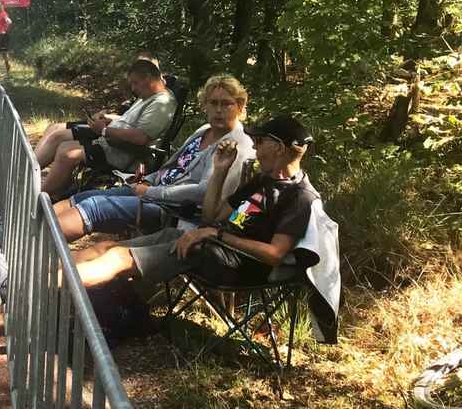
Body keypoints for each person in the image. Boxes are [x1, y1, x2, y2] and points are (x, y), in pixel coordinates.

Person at [68, 115, 318, 293]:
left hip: (230, 262)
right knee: (109, 247)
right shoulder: (260, 181)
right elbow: (211, 217)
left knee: (120, 259)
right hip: (207, 242)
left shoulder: (299, 196)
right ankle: (43, 274)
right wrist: (220, 171)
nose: (254, 147)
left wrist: (216, 234)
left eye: (261, 142)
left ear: (279, 148)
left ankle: (48, 292)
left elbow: (274, 255)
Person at [52, 75, 254, 242]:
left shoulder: (237, 144)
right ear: (205, 106)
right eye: (213, 103)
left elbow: (202, 192)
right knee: (84, 197)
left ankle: (37, 251)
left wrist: (152, 191)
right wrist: (148, 180)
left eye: (226, 104)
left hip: (174, 210)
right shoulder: (204, 130)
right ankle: (31, 228)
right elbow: (172, 165)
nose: (218, 110)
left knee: (95, 207)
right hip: (152, 191)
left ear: (240, 106)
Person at [34, 59, 177, 197]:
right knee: (65, 146)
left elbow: (140, 138)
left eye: (135, 83)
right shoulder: (148, 96)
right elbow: (129, 120)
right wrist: (109, 118)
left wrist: (103, 130)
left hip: (126, 154)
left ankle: (39, 198)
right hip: (113, 143)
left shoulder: (161, 103)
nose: (133, 89)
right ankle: (49, 190)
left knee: (67, 153)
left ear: (148, 78)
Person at [0, 1, 13, 74]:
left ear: (2, 6)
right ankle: (8, 70)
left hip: (2, 37)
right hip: (0, 36)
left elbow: (9, 21)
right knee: (4, 54)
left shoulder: (3, 14)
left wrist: (5, 31)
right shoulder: (0, 14)